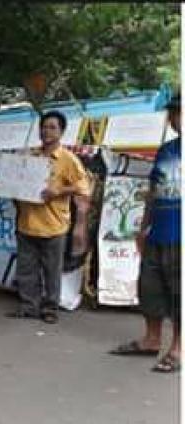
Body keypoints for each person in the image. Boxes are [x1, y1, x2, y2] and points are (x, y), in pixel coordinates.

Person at [109, 95, 181, 373]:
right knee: (150, 288)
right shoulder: (166, 151)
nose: (177, 118)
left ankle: (178, 348)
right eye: (174, 113)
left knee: (178, 292)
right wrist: (143, 227)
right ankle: (151, 339)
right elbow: (153, 191)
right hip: (158, 231)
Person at [5, 110, 90, 324]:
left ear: (61, 132)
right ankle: (29, 306)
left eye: (52, 127)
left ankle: (50, 308)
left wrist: (59, 191)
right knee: (26, 269)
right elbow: (15, 182)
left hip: (54, 225)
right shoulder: (29, 157)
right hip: (27, 222)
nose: (47, 131)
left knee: (52, 270)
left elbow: (84, 187)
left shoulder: (68, 159)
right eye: (44, 127)